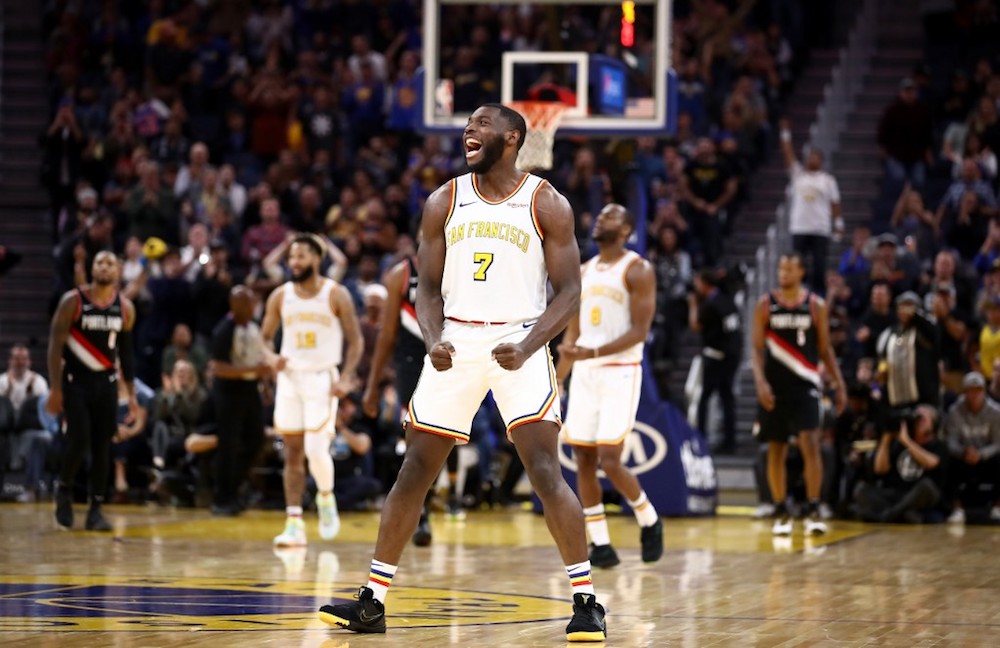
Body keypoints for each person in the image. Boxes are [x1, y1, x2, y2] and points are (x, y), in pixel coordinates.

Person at [318, 104, 606, 642]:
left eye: (482, 124)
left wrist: (527, 346)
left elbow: (570, 293)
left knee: (545, 471)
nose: (469, 130)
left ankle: (586, 601)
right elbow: (424, 288)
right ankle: (372, 602)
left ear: (514, 137)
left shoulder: (546, 201)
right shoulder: (442, 200)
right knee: (414, 472)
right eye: (467, 124)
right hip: (455, 339)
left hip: (520, 338)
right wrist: (433, 341)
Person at [555, 202, 663, 569]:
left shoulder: (638, 269)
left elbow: (640, 331)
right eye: (599, 214)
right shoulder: (584, 270)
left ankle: (649, 518)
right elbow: (574, 331)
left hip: (620, 370)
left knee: (611, 460)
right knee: (582, 457)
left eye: (612, 215)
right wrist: (559, 375)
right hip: (585, 372)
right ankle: (600, 543)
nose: (601, 218)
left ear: (627, 230)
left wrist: (593, 352)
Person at [262, 234, 363, 546]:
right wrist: (270, 357)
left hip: (322, 378)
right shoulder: (280, 295)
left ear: (317, 259)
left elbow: (356, 341)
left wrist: (345, 377)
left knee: (315, 450)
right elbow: (264, 337)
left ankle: (325, 496)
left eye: (302, 256)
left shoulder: (336, 294)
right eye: (292, 257)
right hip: (290, 378)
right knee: (291, 452)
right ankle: (294, 522)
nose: (294, 262)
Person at [750, 251, 846, 536]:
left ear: (802, 272)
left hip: (806, 385)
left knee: (811, 445)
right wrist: (759, 383)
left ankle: (814, 508)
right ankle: (780, 510)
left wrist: (839, 384)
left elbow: (826, 349)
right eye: (781, 269)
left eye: (790, 269)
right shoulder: (765, 305)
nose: (783, 274)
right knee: (775, 449)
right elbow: (756, 349)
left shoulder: (815, 306)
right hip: (774, 386)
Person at [46, 250, 138, 531]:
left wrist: (131, 396)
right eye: (100, 262)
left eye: (110, 263)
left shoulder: (125, 308)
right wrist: (55, 389)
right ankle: (64, 490)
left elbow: (127, 353)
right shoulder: (73, 301)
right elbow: (55, 345)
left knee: (103, 446)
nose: (105, 267)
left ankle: (96, 508)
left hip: (107, 384)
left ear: (118, 272)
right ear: (92, 267)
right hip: (75, 382)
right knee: (79, 440)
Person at [209, 286, 269, 515]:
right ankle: (222, 499)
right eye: (245, 303)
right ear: (234, 305)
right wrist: (255, 371)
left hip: (250, 389)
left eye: (251, 302)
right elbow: (219, 368)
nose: (250, 306)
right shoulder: (223, 330)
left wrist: (263, 385)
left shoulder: (253, 327)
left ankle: (233, 487)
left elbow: (257, 361)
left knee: (256, 439)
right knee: (228, 445)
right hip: (228, 393)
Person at [779, 118, 843, 296]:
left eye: (815, 156)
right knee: (797, 264)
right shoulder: (798, 175)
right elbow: (788, 154)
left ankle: (818, 295)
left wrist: (839, 224)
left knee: (819, 265)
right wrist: (785, 134)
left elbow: (835, 203)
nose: (812, 159)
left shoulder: (828, 180)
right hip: (800, 226)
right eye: (810, 156)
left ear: (821, 160)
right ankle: (795, 292)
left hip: (820, 228)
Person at [853, 405, 947, 523]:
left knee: (927, 487)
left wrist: (907, 441)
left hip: (917, 497)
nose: (918, 422)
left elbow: (931, 463)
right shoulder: (898, 443)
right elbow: (880, 469)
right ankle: (902, 514)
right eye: (915, 419)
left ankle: (887, 516)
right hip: (897, 495)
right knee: (861, 489)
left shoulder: (938, 446)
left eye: (922, 419)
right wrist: (887, 437)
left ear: (934, 424)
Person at [689, 268, 743, 454]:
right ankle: (730, 442)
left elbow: (695, 325)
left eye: (698, 282)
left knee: (705, 397)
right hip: (732, 356)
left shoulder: (709, 305)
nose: (696, 286)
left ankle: (700, 438)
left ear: (705, 284)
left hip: (716, 356)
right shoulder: (727, 300)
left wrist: (692, 305)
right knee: (727, 398)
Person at [943, 372, 1000, 524]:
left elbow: (998, 443)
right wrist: (963, 452)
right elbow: (951, 441)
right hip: (963, 458)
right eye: (971, 390)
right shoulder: (955, 410)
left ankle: (997, 507)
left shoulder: (995, 412)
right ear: (965, 392)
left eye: (978, 390)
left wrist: (981, 454)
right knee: (947, 459)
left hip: (986, 459)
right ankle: (957, 509)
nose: (974, 395)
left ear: (984, 391)